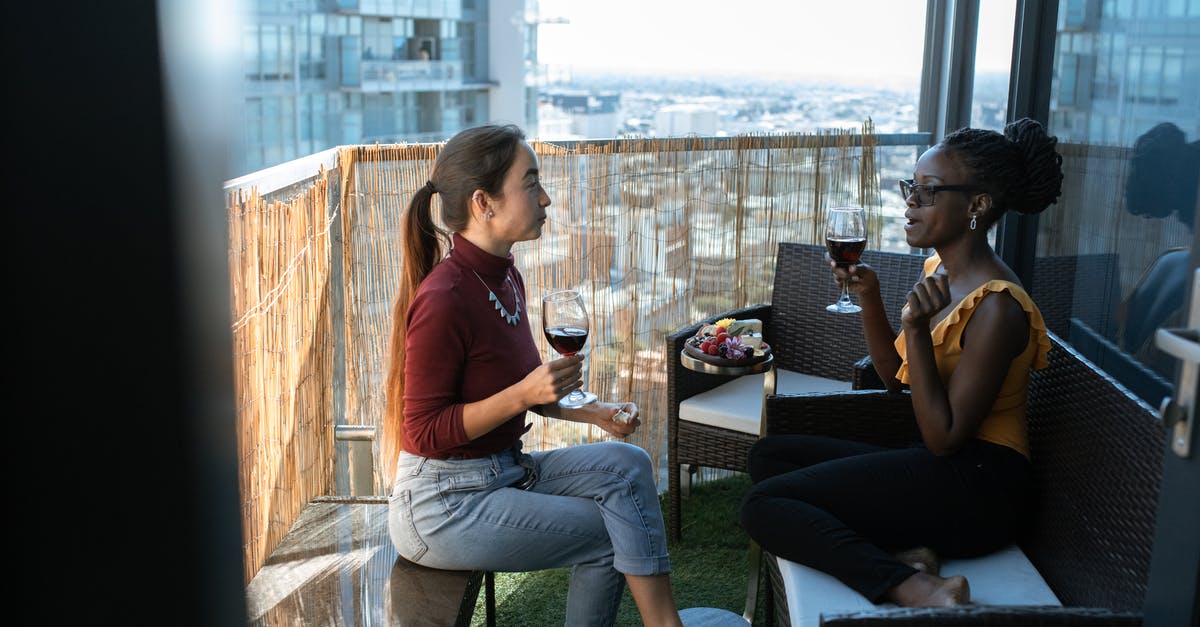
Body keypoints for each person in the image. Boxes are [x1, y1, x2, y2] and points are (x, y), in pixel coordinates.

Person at [740, 118, 1064, 607]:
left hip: (983, 489)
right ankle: (910, 555)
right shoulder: (940, 270)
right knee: (770, 455)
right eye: (910, 187)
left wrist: (914, 328)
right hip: (947, 467)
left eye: (927, 192)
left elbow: (944, 438)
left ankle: (921, 588)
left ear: (976, 205)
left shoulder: (998, 306)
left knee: (762, 505)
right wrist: (870, 298)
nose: (910, 202)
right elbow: (895, 379)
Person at [381, 123, 684, 627]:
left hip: (501, 468)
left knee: (628, 463)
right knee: (611, 531)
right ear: (485, 203)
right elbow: (424, 432)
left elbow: (526, 393)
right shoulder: (444, 298)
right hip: (441, 505)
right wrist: (524, 392)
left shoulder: (505, 275)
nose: (545, 198)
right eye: (531, 183)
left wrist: (596, 412)